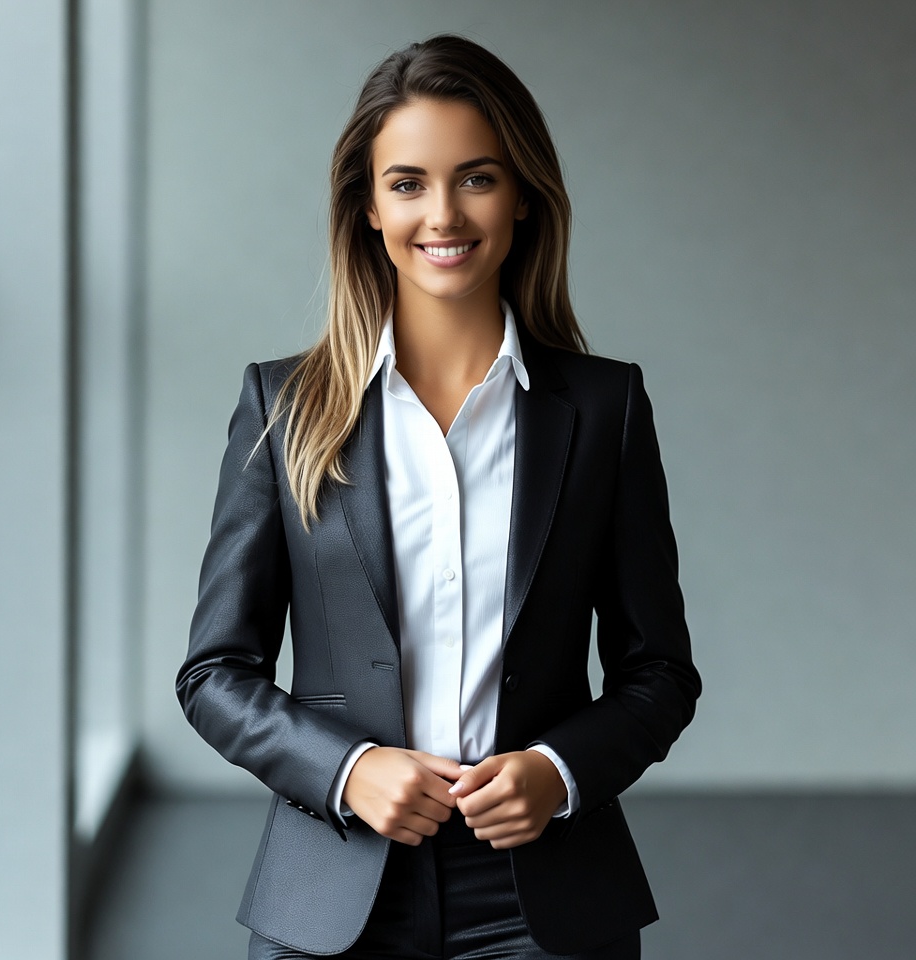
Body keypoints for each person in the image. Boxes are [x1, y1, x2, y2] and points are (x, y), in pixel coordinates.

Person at [177, 34, 701, 960]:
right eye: (408, 182)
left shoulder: (606, 408)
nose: (443, 212)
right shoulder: (284, 405)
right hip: (334, 885)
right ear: (369, 209)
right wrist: (348, 770)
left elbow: (658, 672)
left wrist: (557, 770)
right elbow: (214, 675)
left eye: (477, 177)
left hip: (544, 891)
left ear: (524, 197)